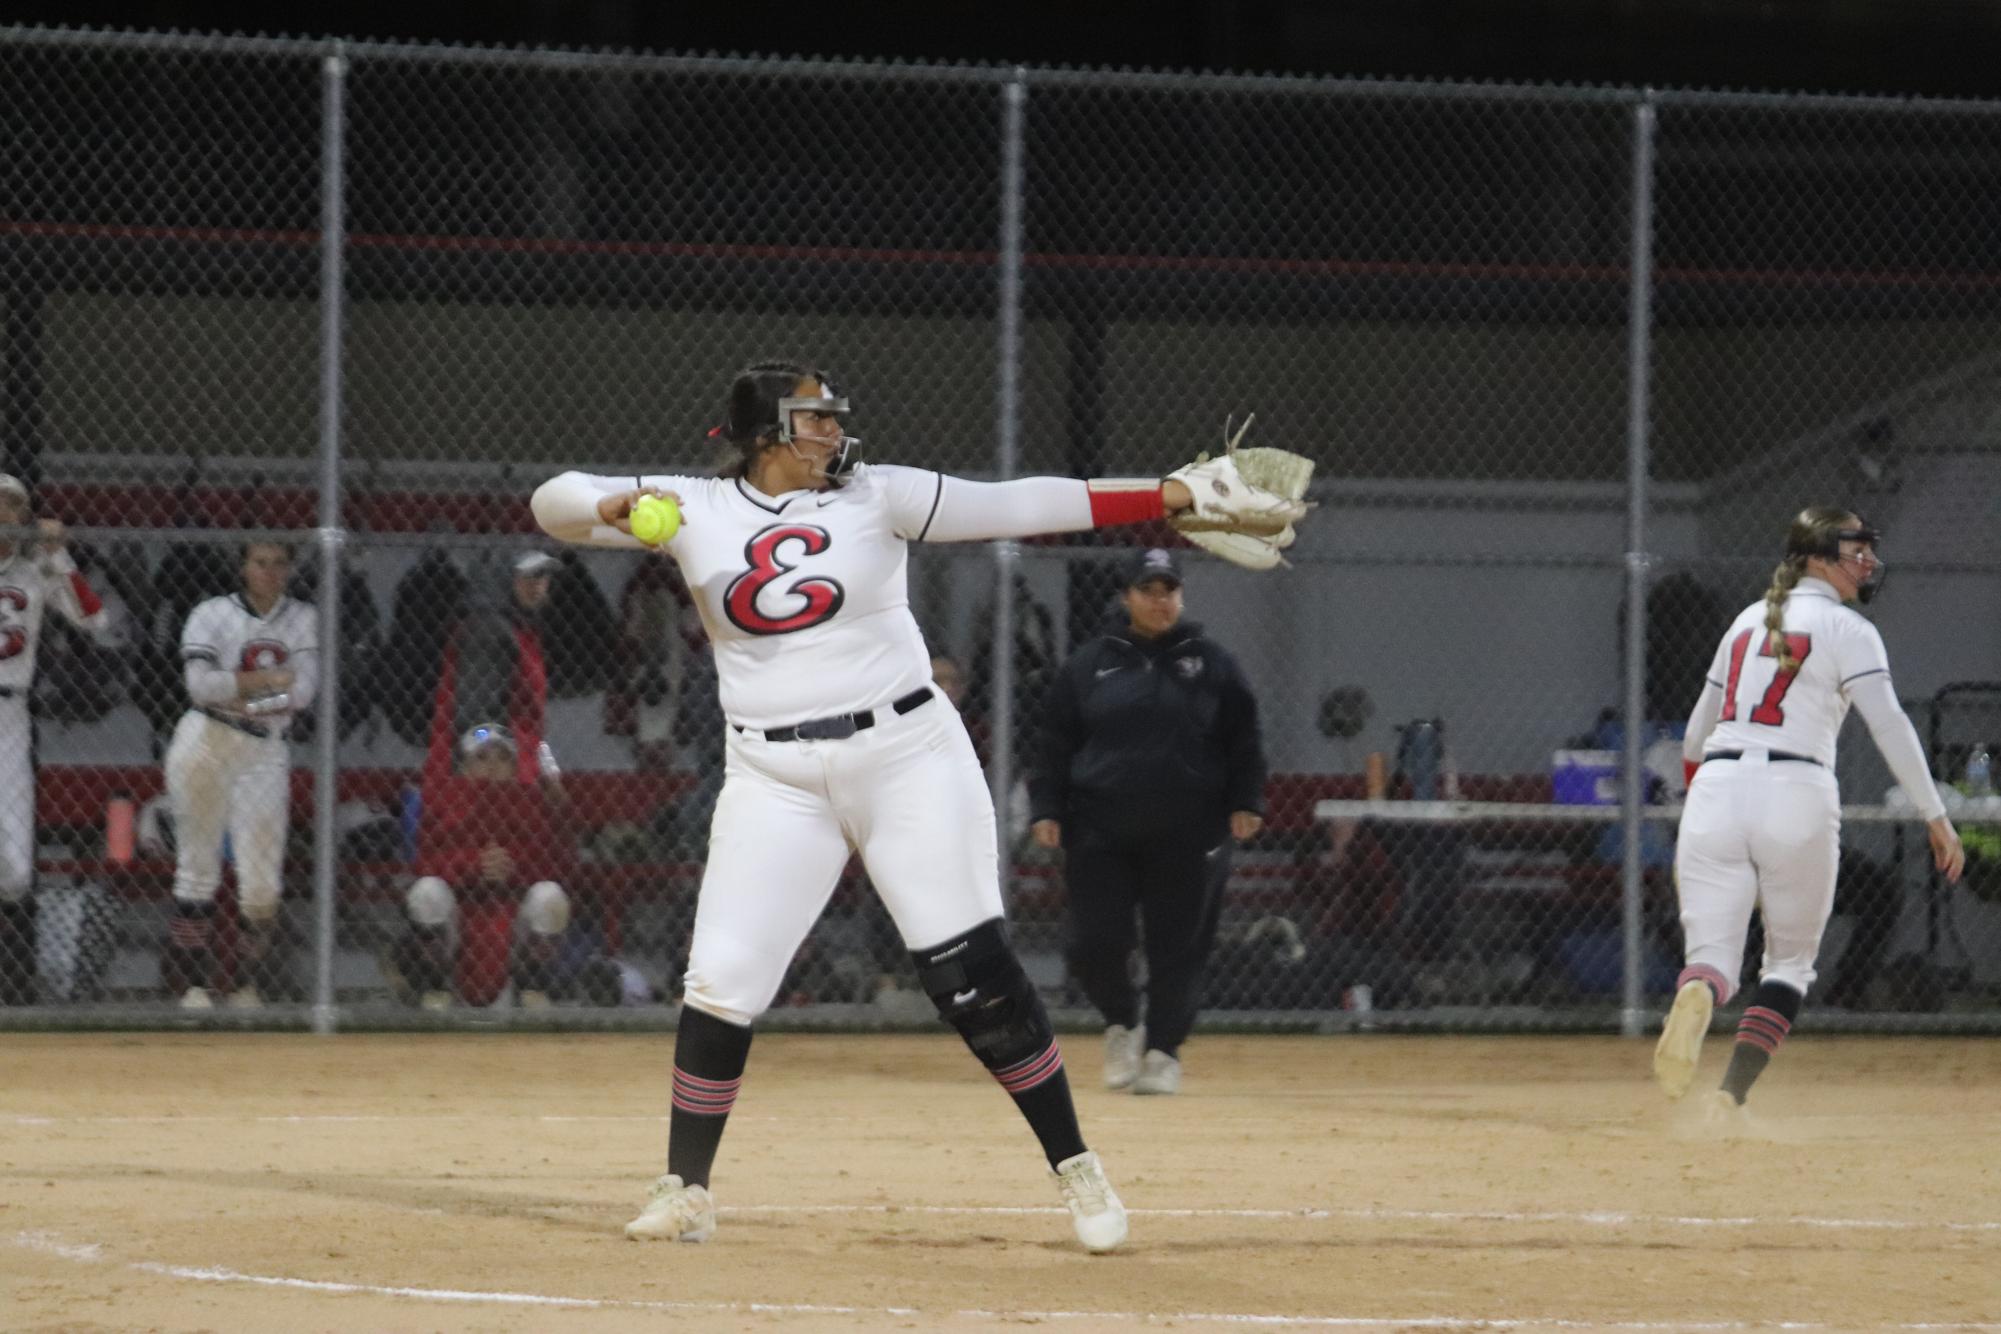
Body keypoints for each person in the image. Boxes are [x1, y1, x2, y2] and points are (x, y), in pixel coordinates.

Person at [531, 360, 1294, 1252]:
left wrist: (1162, 495)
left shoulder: (877, 495)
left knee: (967, 972)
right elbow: (554, 498)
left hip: (904, 758)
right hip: (774, 775)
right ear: (766, 430)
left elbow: (1020, 504)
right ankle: (685, 1187)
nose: (833, 428)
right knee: (722, 982)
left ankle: (1075, 1166)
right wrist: (608, 509)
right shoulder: (692, 505)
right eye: (813, 416)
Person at [1656, 507, 1963, 1116]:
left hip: (1716, 787)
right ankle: (1729, 1099)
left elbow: (1694, 741)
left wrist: (1711, 803)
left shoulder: (1745, 621)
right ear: (1817, 558)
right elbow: (1889, 723)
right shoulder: (1848, 629)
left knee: (1711, 958)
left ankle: (1698, 993)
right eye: (1855, 548)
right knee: (1789, 965)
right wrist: (1935, 814)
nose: (1867, 559)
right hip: (1796, 787)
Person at [1028, 547, 1267, 1096]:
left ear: (1180, 596)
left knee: (1178, 945)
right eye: (1148, 590)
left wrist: (1246, 800)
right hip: (1100, 826)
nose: (1160, 601)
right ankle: (1121, 1022)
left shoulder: (1213, 663)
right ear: (1126, 597)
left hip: (1191, 827)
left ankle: (1162, 1051)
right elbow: (1054, 743)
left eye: (1169, 591)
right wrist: (1047, 807)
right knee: (1094, 940)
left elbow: (1244, 740)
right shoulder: (1090, 663)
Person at [161, 541, 319, 1009]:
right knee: (197, 866)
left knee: (262, 883)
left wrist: (241, 695)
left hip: (265, 747)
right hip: (205, 740)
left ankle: (245, 984)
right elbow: (197, 687)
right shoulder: (211, 613)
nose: (270, 573)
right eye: (260, 563)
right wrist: (268, 683)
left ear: (290, 570)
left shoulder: (303, 617)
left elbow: (305, 693)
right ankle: (193, 988)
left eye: (279, 563)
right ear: (242, 568)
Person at [0, 475, 109, 1005]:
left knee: (17, 876)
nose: (3, 514)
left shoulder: (34, 571)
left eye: (11, 507)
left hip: (11, 715)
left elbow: (95, 618)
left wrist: (58, 554)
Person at [384, 722, 575, 1010]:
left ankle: (531, 986)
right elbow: (427, 863)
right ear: (464, 767)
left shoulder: (531, 803)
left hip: (512, 922)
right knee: (426, 892)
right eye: (482, 758)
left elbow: (556, 863)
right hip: (458, 922)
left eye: (503, 758)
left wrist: (513, 868)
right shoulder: (446, 802)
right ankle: (435, 985)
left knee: (550, 897)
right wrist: (475, 866)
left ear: (515, 767)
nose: (493, 767)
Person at [423, 549, 561, 793]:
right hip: (487, 783)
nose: (536, 584)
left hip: (511, 777)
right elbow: (472, 715)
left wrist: (545, 767)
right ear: (506, 578)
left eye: (542, 575)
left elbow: (529, 716)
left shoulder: (521, 629)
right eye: (525, 576)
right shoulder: (490, 630)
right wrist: (492, 763)